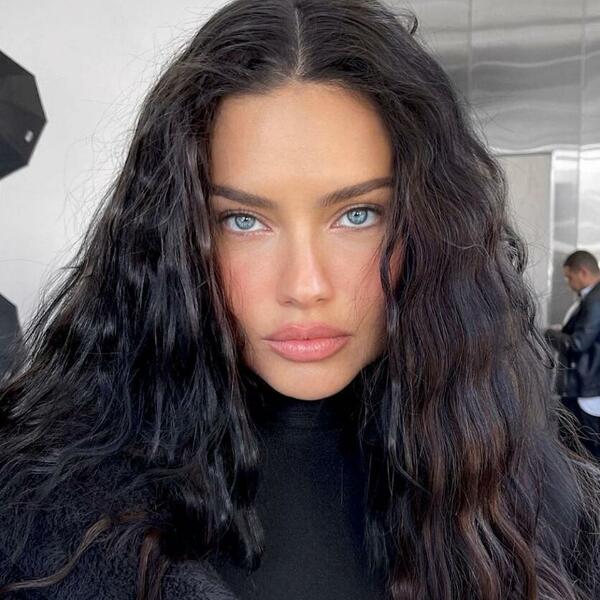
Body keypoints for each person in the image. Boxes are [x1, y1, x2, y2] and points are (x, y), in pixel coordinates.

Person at [1, 1, 599, 599]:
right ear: (175, 238)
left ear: (430, 226)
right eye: (243, 221)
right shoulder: (35, 511)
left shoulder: (533, 501)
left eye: (358, 215)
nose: (306, 285)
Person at [545, 250, 600, 459]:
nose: (569, 283)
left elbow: (578, 344)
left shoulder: (595, 299)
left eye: (569, 277)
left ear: (583, 272)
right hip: (585, 386)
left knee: (584, 450)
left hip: (585, 388)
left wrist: (551, 333)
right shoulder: (590, 297)